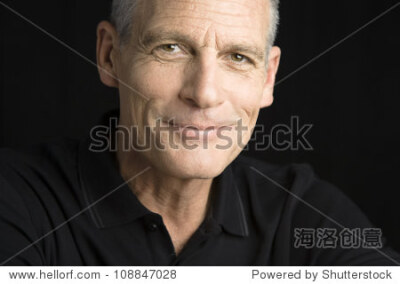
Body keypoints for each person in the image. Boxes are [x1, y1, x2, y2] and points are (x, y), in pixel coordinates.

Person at [0, 0, 399, 265]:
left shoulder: (308, 217)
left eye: (238, 57)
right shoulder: (17, 202)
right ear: (110, 55)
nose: (204, 93)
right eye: (171, 48)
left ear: (267, 78)